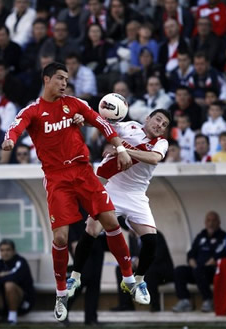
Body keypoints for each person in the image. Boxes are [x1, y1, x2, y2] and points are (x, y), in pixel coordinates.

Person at [2, 62, 136, 322]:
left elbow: (102, 123)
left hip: (83, 171)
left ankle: (130, 277)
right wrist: (10, 139)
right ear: (47, 79)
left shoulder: (74, 104)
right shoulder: (34, 110)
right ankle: (61, 292)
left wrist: (120, 148)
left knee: (110, 220)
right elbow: (16, 126)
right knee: (61, 239)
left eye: (67, 79)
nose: (64, 83)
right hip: (57, 178)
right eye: (60, 78)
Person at [67, 109, 172, 312]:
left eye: (164, 124)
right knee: (91, 229)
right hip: (113, 189)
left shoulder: (161, 143)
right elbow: (101, 124)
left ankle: (137, 280)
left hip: (136, 195)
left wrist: (123, 150)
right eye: (158, 119)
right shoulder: (128, 126)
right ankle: (75, 276)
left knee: (151, 240)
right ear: (148, 118)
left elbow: (153, 158)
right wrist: (82, 120)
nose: (160, 125)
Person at [173, 211, 226, 313]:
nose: (211, 223)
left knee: (199, 270)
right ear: (205, 222)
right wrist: (191, 260)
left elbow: (221, 254)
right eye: (208, 220)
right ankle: (185, 300)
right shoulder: (201, 236)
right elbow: (192, 252)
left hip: (212, 271)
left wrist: (211, 261)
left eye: (213, 221)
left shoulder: (223, 237)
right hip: (197, 270)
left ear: (219, 222)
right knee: (179, 271)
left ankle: (208, 300)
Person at [0, 239, 35, 324]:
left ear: (13, 251)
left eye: (8, 250)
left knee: (9, 285)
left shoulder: (20, 262)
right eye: (2, 250)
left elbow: (15, 278)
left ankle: (12, 319)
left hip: (22, 302)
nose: (5, 253)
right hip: (2, 302)